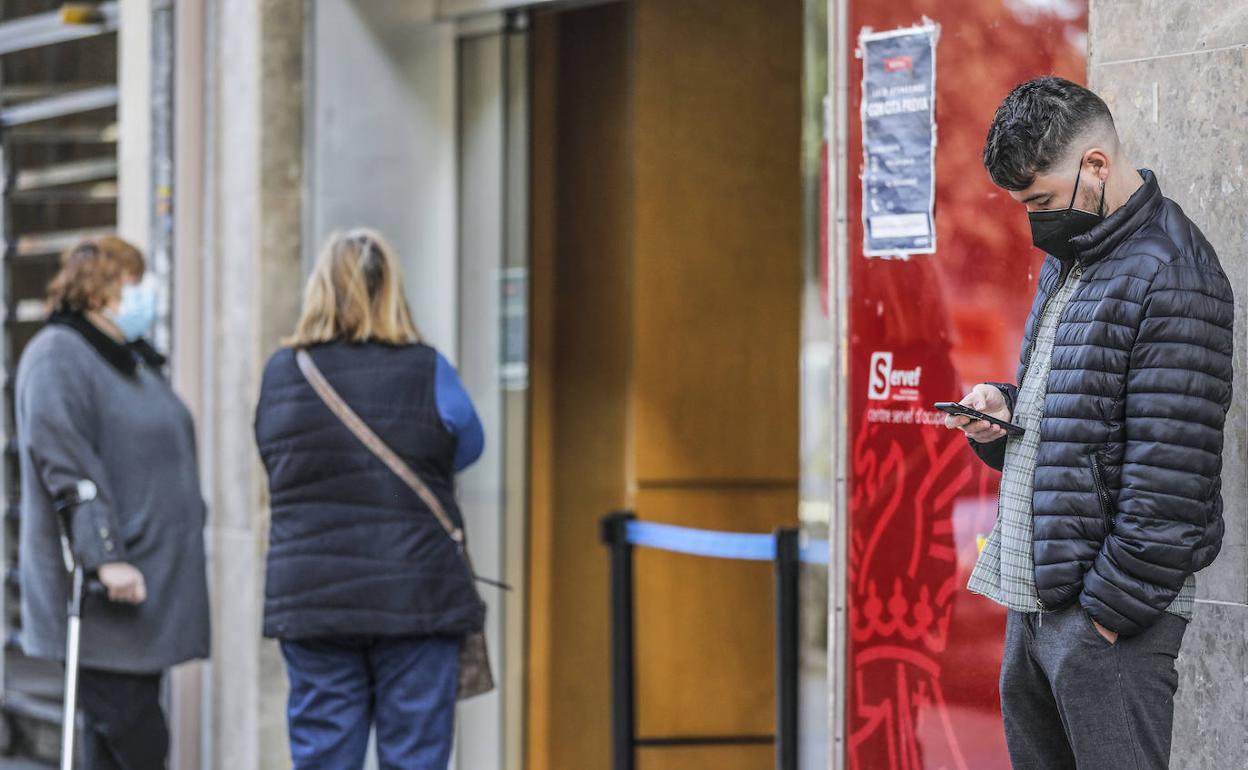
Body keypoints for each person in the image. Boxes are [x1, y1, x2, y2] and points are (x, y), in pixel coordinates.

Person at [944, 77, 1234, 769]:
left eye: (1040, 201)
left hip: (1106, 620)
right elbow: (1083, 416)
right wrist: (1007, 415)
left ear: (1096, 166)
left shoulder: (1176, 273)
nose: (1034, 221)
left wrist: (1100, 619)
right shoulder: (1073, 259)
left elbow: (1174, 476)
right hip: (1041, 598)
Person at [254, 228, 485, 770]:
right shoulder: (429, 369)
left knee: (324, 756)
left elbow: (273, 456)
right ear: (393, 290)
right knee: (415, 757)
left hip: (314, 599)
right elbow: (469, 447)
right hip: (416, 597)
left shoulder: (282, 373)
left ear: (318, 290)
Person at [16, 236, 211, 770]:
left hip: (147, 591)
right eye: (132, 283)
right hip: (105, 598)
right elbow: (65, 462)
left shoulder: (129, 361)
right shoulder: (58, 354)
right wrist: (105, 555)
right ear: (100, 292)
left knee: (113, 744)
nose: (144, 295)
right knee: (139, 737)